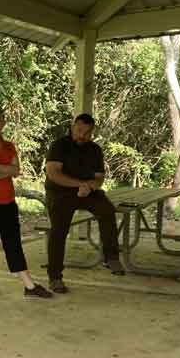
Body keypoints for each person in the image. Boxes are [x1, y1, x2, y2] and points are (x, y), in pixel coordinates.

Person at [0, 108, 52, 298]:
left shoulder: (10, 146)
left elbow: (16, 170)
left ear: (4, 123)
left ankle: (29, 286)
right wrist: (5, 169)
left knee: (13, 242)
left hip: (7, 201)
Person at [45, 113, 125, 293]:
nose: (82, 135)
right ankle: (55, 276)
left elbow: (99, 178)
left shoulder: (95, 150)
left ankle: (111, 257)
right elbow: (54, 174)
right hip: (60, 192)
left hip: (87, 191)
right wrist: (80, 184)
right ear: (73, 127)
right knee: (59, 229)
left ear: (92, 133)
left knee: (107, 210)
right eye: (79, 130)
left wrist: (89, 187)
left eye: (87, 132)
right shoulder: (59, 146)